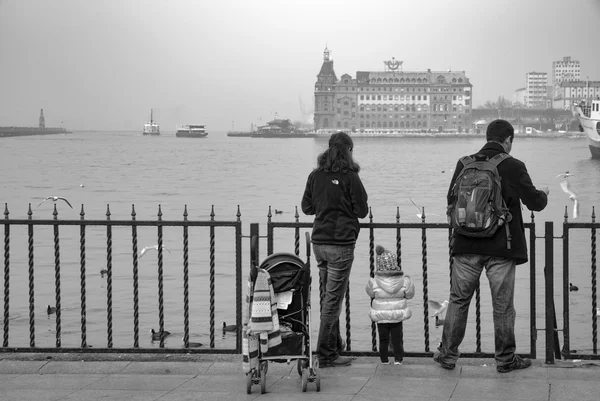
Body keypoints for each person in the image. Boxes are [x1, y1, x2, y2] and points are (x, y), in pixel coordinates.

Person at [434, 119, 549, 373]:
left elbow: (451, 199)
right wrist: (545, 195)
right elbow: (534, 202)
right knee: (503, 305)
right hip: (501, 246)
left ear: (487, 137)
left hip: (465, 243)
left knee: (458, 301)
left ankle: (448, 355)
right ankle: (506, 360)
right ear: (508, 140)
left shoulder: (464, 163)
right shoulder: (514, 165)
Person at [301, 131, 369, 367]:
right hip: (341, 244)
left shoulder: (315, 175)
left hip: (319, 243)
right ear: (348, 151)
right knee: (333, 300)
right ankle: (327, 353)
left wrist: (325, 204)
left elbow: (307, 208)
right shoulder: (350, 177)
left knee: (328, 297)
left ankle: (334, 344)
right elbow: (362, 211)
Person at [366, 245, 415, 365]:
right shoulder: (403, 281)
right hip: (396, 315)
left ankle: (384, 360)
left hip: (381, 316)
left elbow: (370, 292)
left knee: (383, 339)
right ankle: (398, 360)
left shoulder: (374, 282)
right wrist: (409, 281)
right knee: (397, 339)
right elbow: (409, 294)